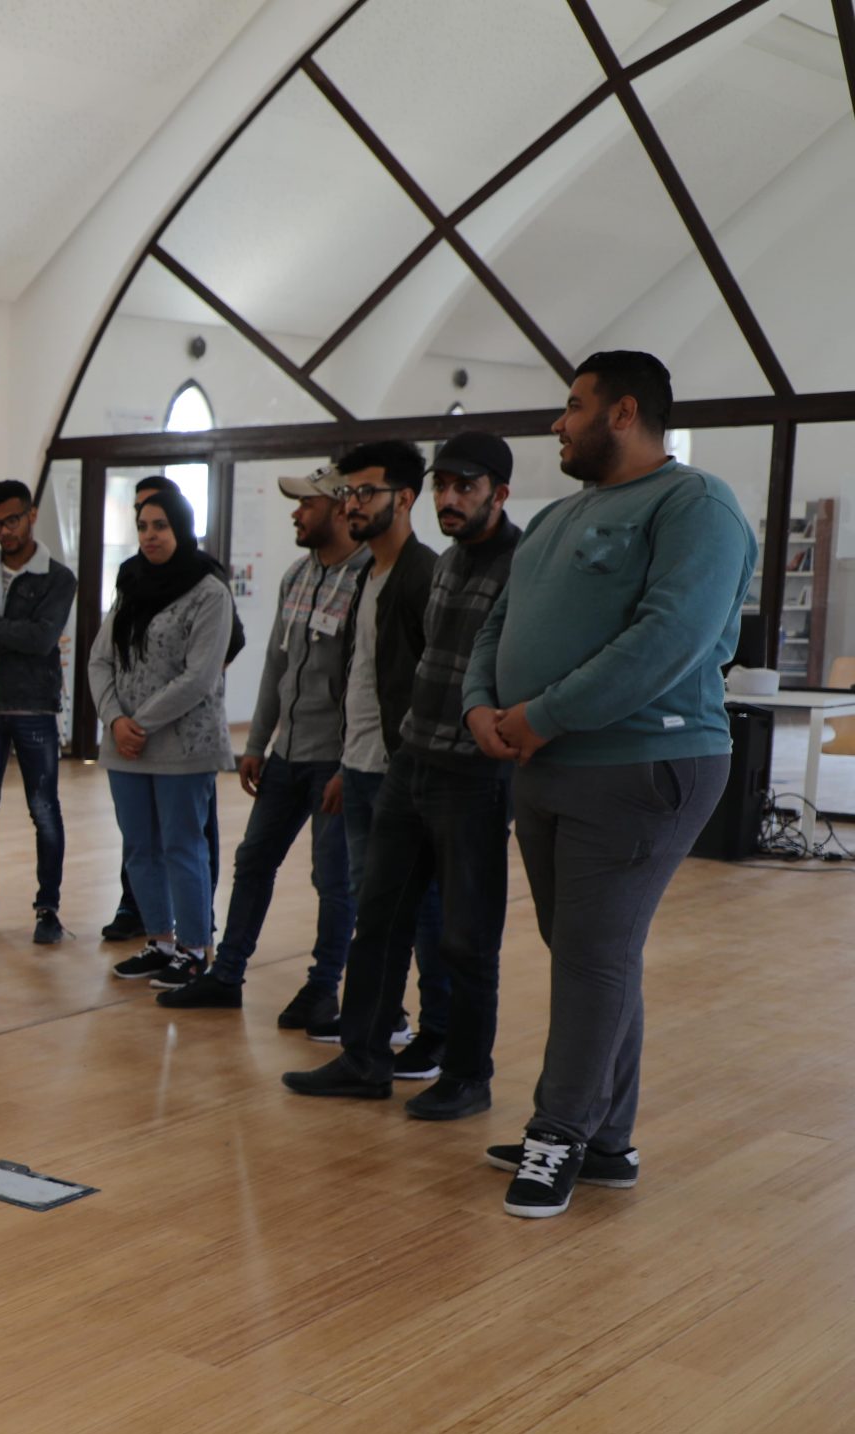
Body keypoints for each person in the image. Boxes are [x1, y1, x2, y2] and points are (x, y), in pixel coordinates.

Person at [463, 352, 753, 1219]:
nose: (559, 423)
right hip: (544, 760)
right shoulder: (557, 517)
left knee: (593, 951)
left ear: (624, 413)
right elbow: (498, 625)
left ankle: (559, 1132)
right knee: (591, 952)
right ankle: (605, 1140)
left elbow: (669, 639)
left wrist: (545, 713)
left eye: (573, 405)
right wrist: (480, 704)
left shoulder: (694, 505)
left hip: (643, 764)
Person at [287, 434, 519, 1123]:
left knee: (466, 937)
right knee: (379, 919)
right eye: (444, 485)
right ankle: (363, 1059)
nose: (451, 498)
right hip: (412, 761)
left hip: (472, 774)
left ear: (499, 493)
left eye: (465, 487)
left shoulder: (522, 566)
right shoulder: (447, 565)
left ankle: (467, 1074)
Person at [158, 464, 367, 1025]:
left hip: (336, 758)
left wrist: (351, 763)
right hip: (287, 754)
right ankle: (226, 975)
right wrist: (256, 742)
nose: (296, 514)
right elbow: (278, 663)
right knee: (253, 861)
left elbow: (367, 682)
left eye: (306, 504)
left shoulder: (368, 578)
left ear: (340, 507)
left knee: (332, 878)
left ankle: (323, 987)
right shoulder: (298, 574)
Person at [326, 440, 450, 1063]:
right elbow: (360, 676)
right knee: (371, 907)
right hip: (360, 767)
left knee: (423, 908)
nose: (351, 504)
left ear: (404, 498)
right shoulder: (365, 575)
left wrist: (414, 768)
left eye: (365, 492)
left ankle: (438, 1034)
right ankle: (383, 1022)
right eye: (347, 492)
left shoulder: (424, 574)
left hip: (403, 773)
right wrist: (344, 762)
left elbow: (434, 683)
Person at [88, 488, 232, 988]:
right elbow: (99, 660)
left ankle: (193, 950)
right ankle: (160, 941)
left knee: (181, 846)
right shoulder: (130, 586)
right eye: (143, 527)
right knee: (139, 848)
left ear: (182, 529)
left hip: (182, 745)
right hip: (125, 744)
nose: (150, 536)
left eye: (161, 526)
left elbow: (200, 676)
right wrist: (114, 720)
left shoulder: (209, 592)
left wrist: (140, 723)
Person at [0, 479, 76, 944]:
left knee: (43, 810)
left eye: (12, 520)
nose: (4, 531)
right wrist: (11, 631)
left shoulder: (57, 578)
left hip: (34, 707)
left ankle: (48, 910)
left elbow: (43, 639)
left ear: (31, 515)